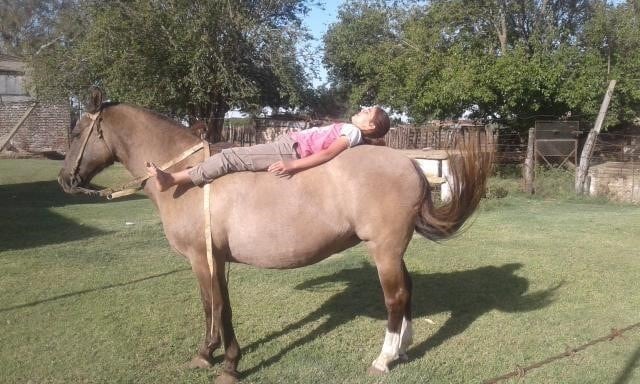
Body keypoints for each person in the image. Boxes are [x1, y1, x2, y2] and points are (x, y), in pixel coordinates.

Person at [146, 106, 391, 191]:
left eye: (367, 112)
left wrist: (291, 164)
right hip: (288, 144)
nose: (363, 109)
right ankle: (197, 171)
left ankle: (172, 179)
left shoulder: (353, 132)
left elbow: (327, 154)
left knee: (231, 157)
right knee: (228, 150)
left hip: (290, 151)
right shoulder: (352, 129)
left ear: (371, 125)